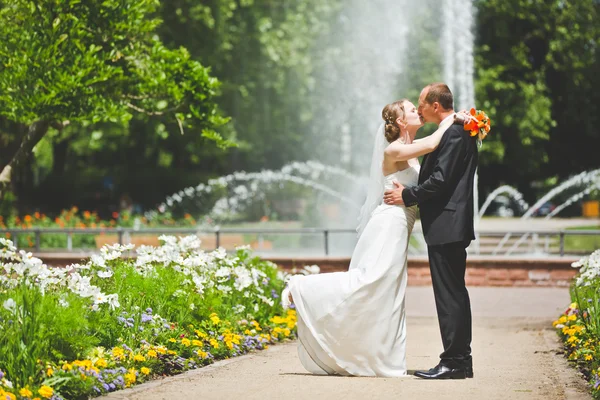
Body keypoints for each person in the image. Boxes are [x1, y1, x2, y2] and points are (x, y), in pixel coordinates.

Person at [281, 97, 460, 377]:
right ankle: (302, 288)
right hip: (388, 225)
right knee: (371, 280)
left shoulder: (409, 149)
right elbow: (434, 142)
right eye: (413, 109)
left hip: (402, 226)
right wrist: (453, 119)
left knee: (389, 292)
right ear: (401, 121)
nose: (418, 111)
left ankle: (383, 358)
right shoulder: (395, 150)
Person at [383, 83, 478, 379]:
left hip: (448, 226)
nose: (420, 110)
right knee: (454, 294)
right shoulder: (457, 129)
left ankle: (455, 361)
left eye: (422, 104)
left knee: (450, 296)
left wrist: (407, 196)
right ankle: (460, 360)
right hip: (450, 225)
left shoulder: (454, 133)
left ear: (436, 105)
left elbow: (439, 181)